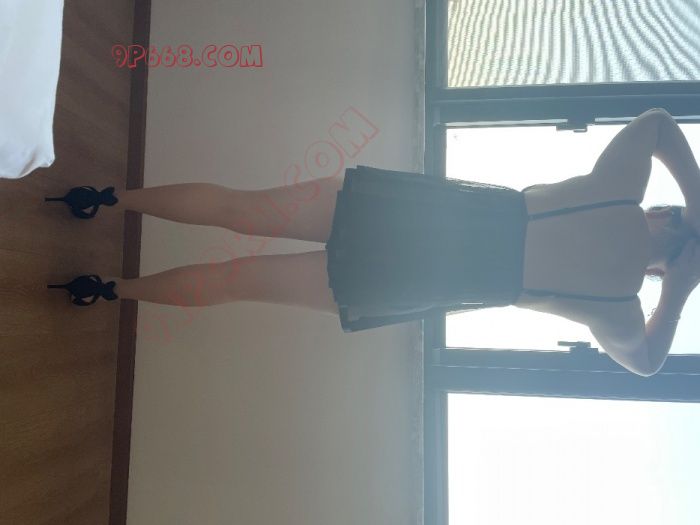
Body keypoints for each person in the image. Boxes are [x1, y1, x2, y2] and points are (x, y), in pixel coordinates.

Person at [45, 108, 700, 377]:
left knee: (239, 208)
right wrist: (680, 286)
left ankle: (104, 198)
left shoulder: (619, 190)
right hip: (408, 279)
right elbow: (647, 362)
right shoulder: (619, 306)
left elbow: (659, 123)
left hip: (416, 214)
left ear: (673, 214)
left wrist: (695, 202)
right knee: (236, 280)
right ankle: (108, 289)